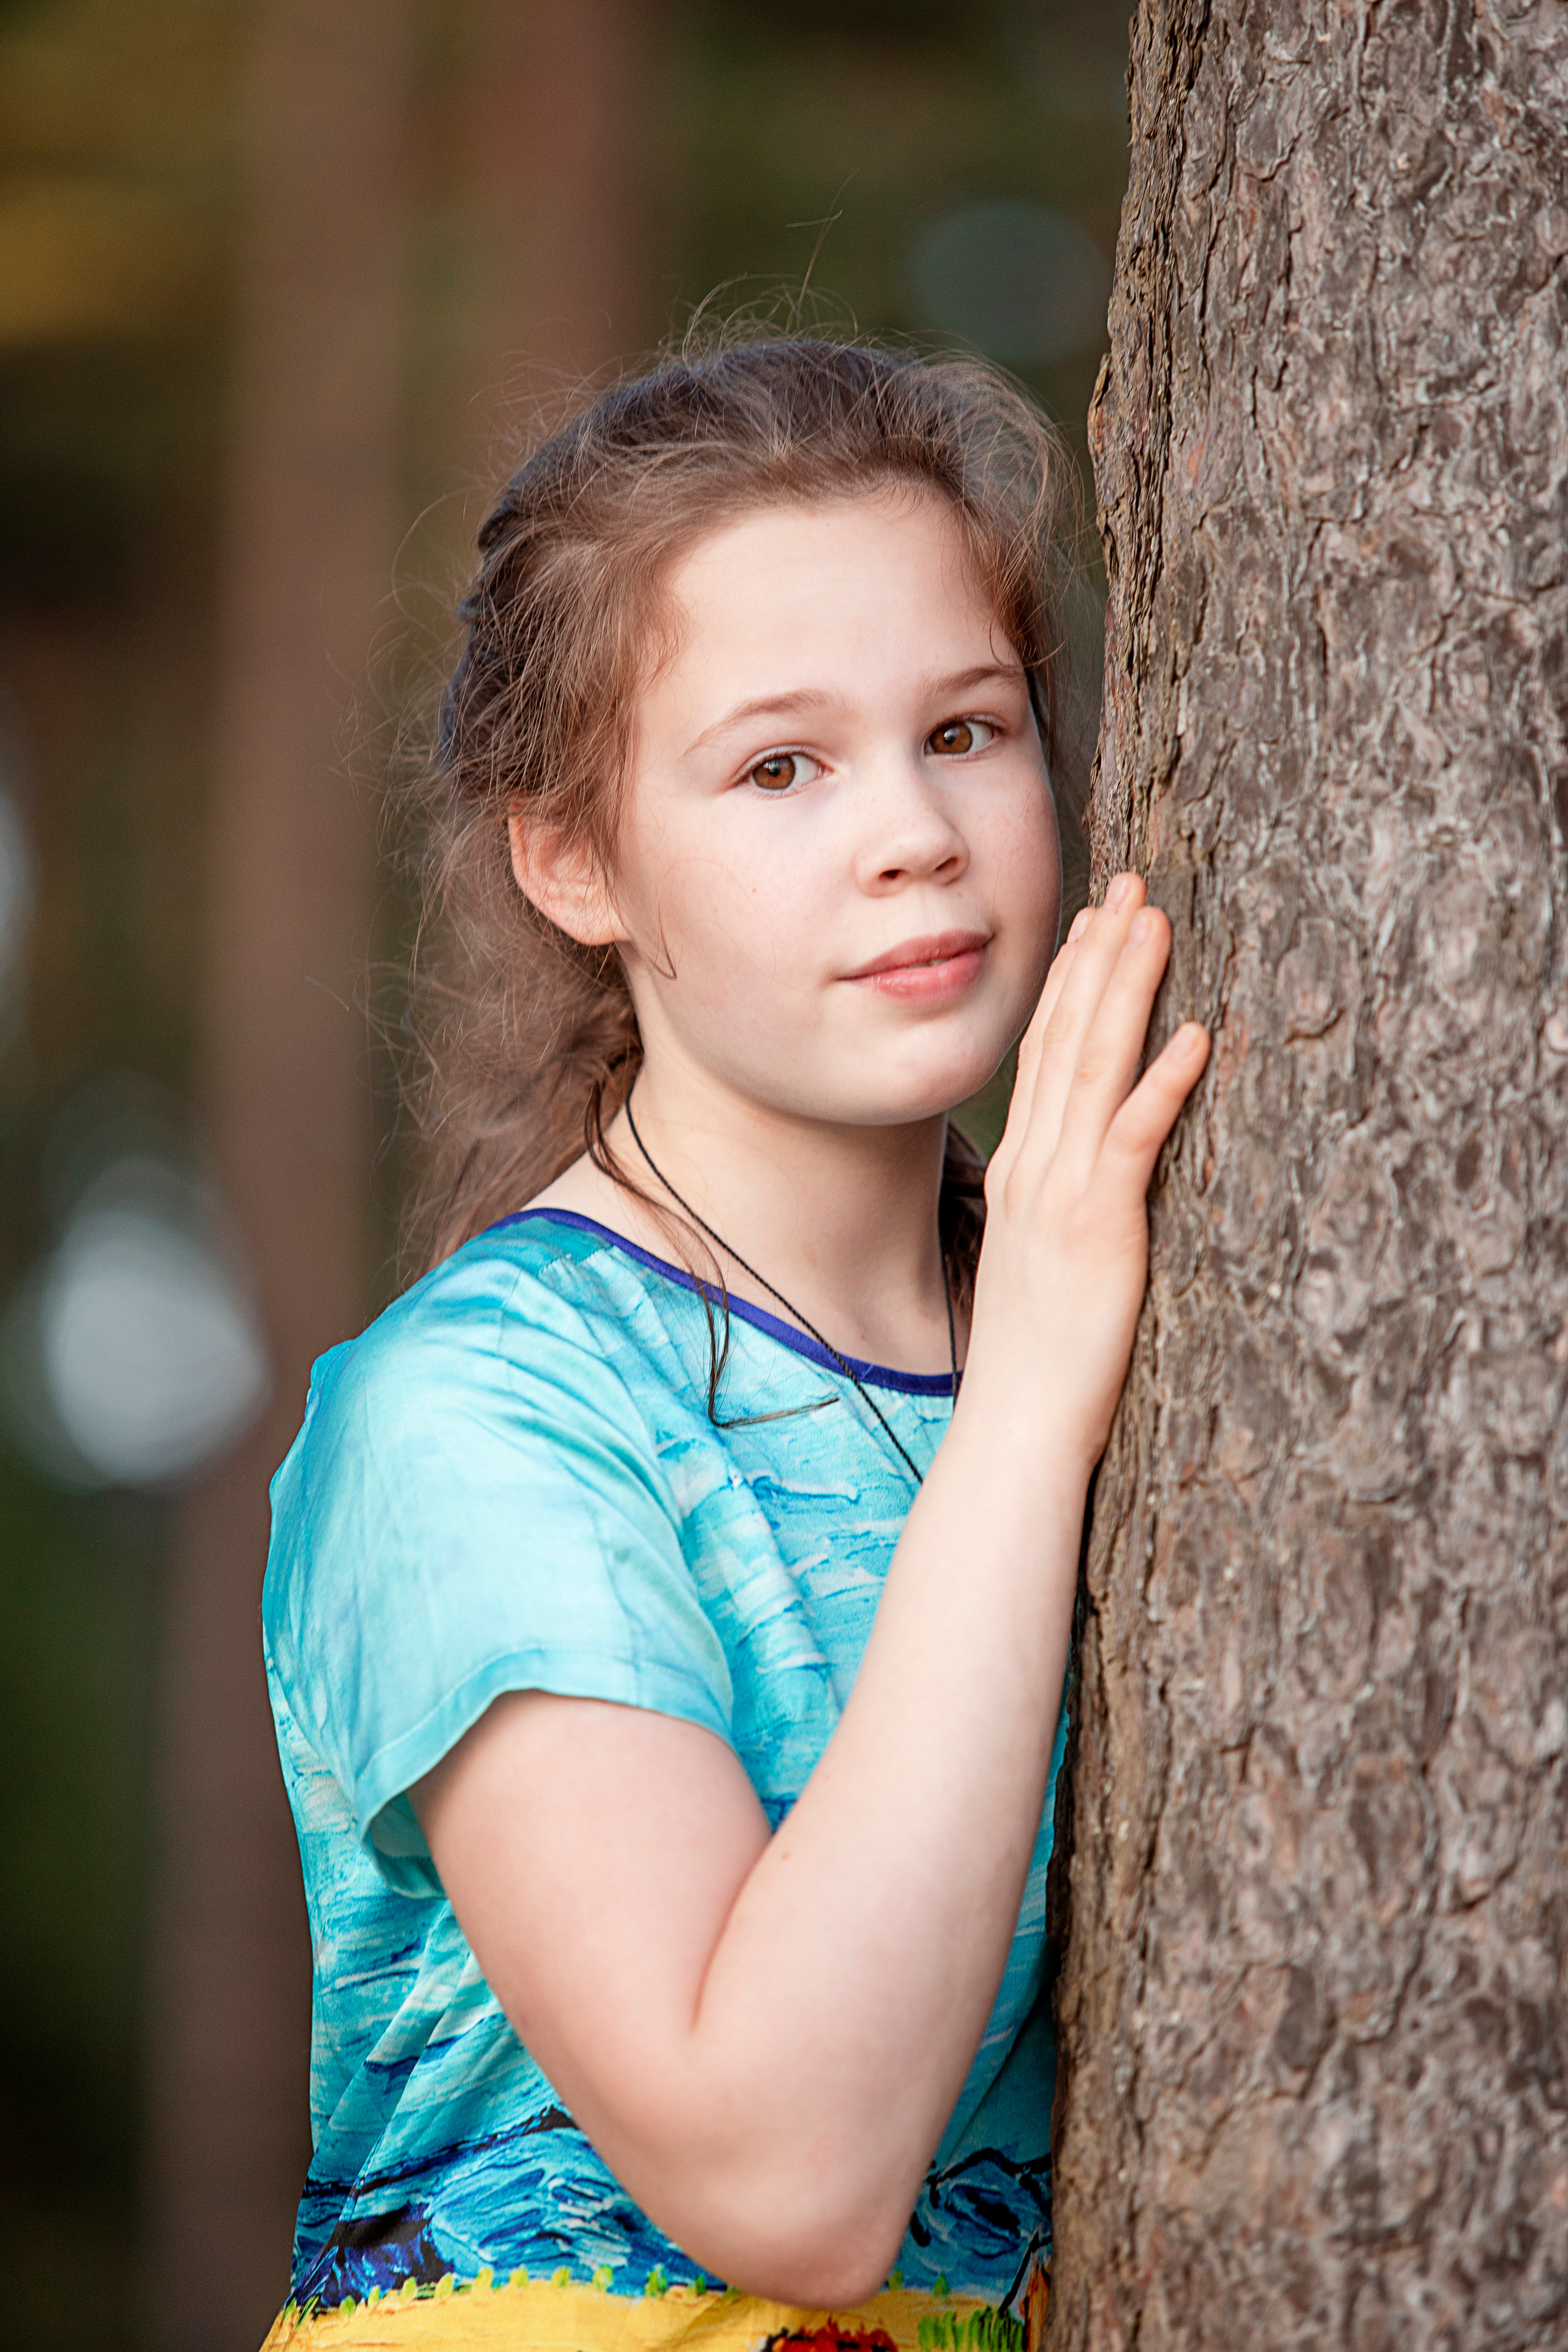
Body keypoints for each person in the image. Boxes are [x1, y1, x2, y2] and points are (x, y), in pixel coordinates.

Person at [259, 338, 1210, 2352]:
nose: (915, 836)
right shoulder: (476, 1420)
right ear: (571, 857)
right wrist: (1033, 1399)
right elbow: (785, 2173)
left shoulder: (1125, 1311)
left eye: (966, 729)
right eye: (781, 766)